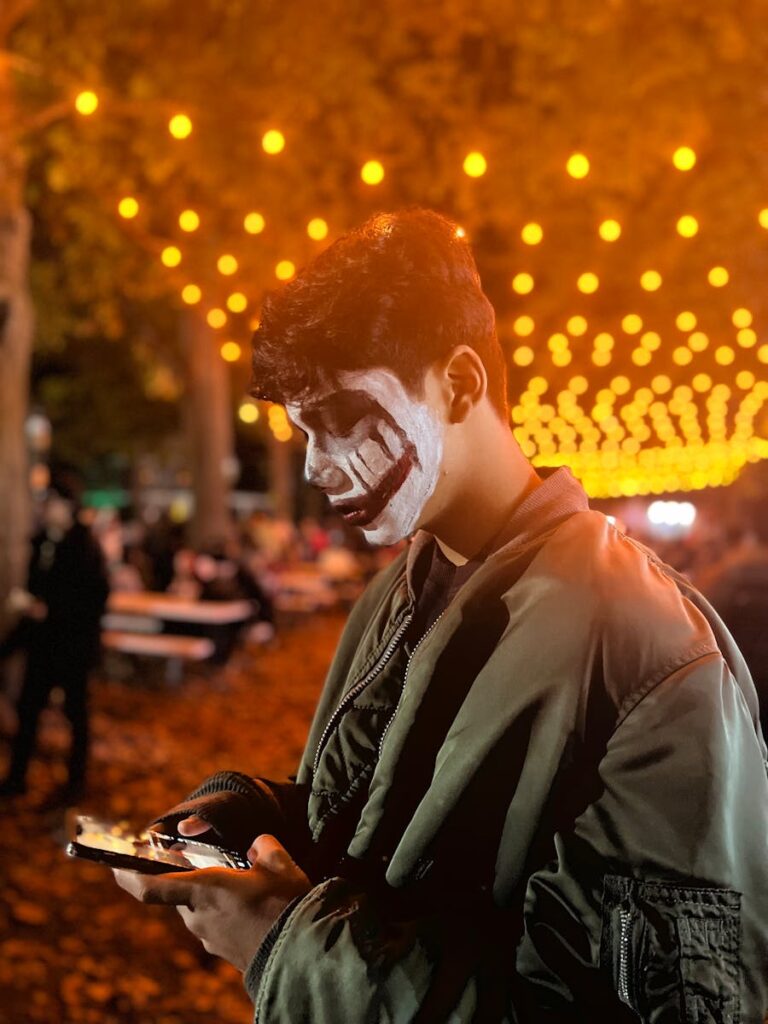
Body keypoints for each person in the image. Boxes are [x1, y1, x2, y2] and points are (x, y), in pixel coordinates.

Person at [113, 210, 768, 1022]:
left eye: (342, 418)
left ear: (460, 383)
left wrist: (288, 944)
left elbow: (679, 1008)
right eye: (301, 431)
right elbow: (386, 837)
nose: (317, 464)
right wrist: (251, 821)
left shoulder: (657, 654)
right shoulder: (397, 592)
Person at [0, 483, 110, 805]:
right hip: (42, 645)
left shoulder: (84, 547)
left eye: (52, 502)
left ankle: (75, 783)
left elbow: (92, 600)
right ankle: (17, 777)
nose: (46, 508)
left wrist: (49, 609)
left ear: (67, 506)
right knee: (29, 709)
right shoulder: (42, 543)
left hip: (73, 647)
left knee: (76, 713)